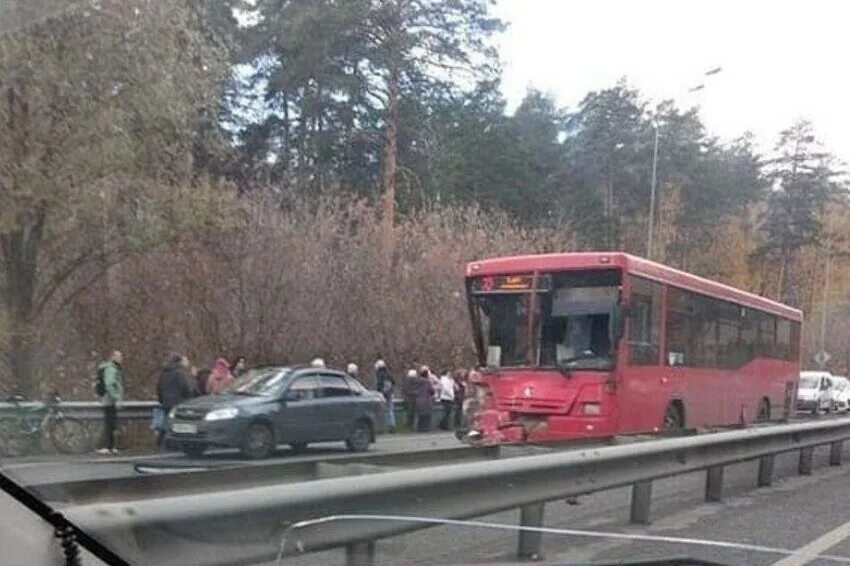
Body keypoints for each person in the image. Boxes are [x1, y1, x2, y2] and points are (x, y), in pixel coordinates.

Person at [156, 353, 192, 447]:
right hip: (177, 401)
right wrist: (187, 398)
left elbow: (159, 387)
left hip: (166, 401)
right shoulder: (179, 372)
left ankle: (161, 442)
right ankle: (174, 443)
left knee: (167, 422)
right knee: (178, 423)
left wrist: (161, 399)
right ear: (179, 362)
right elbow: (184, 387)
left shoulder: (164, 372)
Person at [96, 350, 124, 455]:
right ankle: (107, 446)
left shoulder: (111, 368)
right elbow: (109, 384)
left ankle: (110, 446)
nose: (121, 359)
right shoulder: (111, 369)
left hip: (108, 400)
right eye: (119, 357)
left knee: (111, 424)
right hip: (109, 401)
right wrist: (116, 398)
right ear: (113, 357)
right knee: (110, 424)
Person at [375, 360, 396, 432]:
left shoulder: (379, 375)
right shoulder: (388, 373)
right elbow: (394, 382)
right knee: (390, 411)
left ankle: (381, 429)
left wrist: (378, 392)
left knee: (381, 411)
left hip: (382, 395)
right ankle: (392, 426)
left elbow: (379, 385)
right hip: (390, 394)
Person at [414, 367, 435, 432]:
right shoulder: (427, 382)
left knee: (420, 415)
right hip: (426, 400)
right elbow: (432, 391)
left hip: (418, 399)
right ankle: (426, 428)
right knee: (427, 415)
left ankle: (419, 428)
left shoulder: (416, 381)